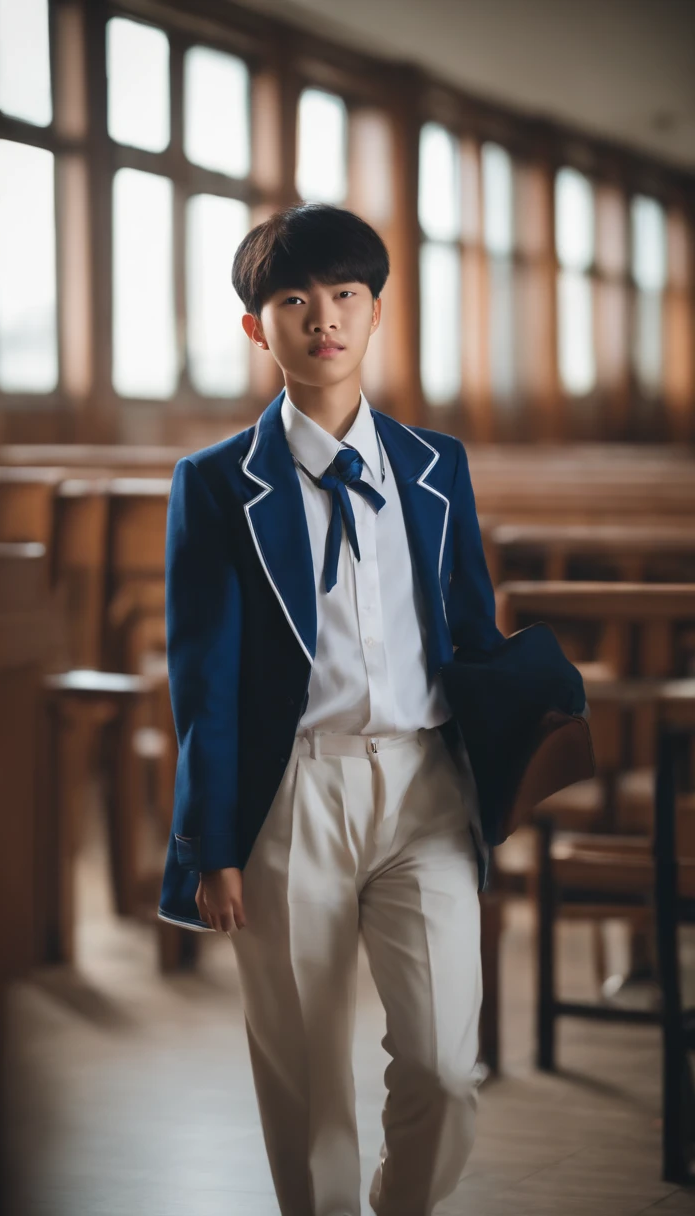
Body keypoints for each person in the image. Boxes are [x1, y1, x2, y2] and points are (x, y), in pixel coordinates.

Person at [158, 202, 506, 1216]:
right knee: (308, 1084)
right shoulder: (216, 485)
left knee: (444, 1064)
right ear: (256, 327)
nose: (324, 318)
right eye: (294, 299)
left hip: (425, 787)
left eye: (345, 295)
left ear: (376, 310)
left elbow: (472, 631)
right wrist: (209, 841)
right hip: (292, 796)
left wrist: (527, 730)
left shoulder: (437, 467)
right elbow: (203, 678)